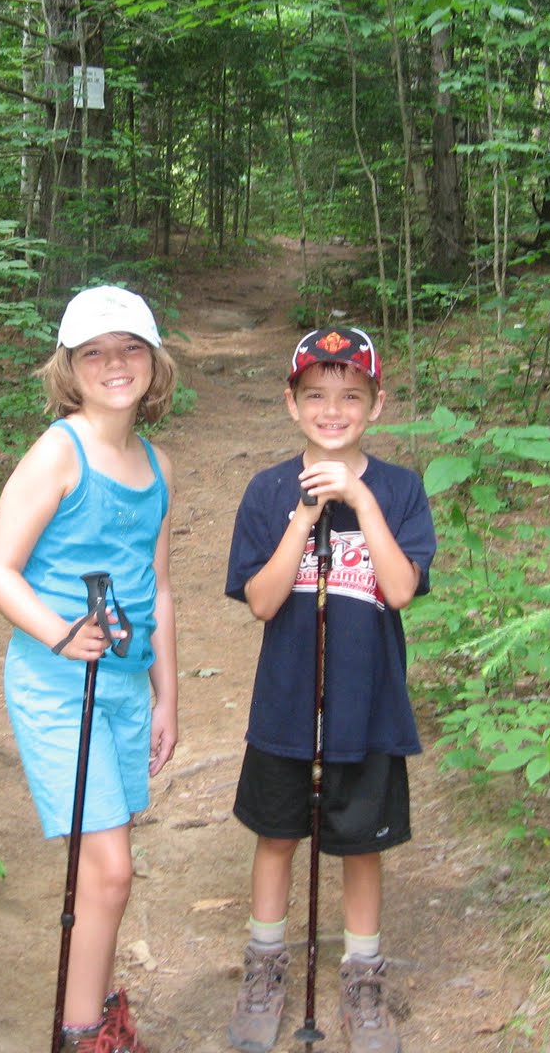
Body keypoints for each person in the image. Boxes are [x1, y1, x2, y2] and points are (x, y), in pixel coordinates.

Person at [223, 326, 437, 1053]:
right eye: (316, 396)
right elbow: (261, 599)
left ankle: (363, 981)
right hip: (285, 706)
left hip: (367, 707)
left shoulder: (402, 489)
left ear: (376, 405)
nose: (333, 410)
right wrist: (306, 516)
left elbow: (402, 589)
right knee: (277, 836)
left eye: (351, 396)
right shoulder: (267, 490)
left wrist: (361, 501)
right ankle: (264, 967)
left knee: (361, 847)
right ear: (292, 404)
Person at [0, 285, 180, 1053]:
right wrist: (60, 633)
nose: (114, 364)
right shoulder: (58, 452)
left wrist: (167, 695)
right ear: (68, 367)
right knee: (109, 869)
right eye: (93, 352)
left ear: (154, 361)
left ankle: (91, 1013)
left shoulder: (155, 464)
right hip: (60, 685)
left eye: (129, 348)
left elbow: (158, 586)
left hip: (125, 683)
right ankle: (81, 1033)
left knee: (107, 871)